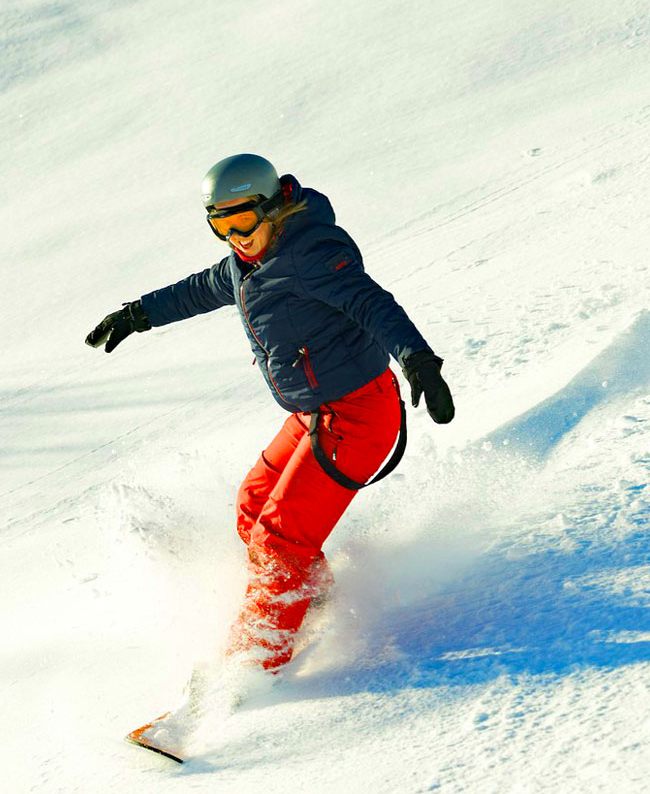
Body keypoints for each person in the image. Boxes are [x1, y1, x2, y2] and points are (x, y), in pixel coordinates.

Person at [87, 154, 454, 674]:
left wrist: (417, 359)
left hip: (358, 414)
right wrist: (137, 314)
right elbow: (196, 290)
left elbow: (373, 304)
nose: (234, 236)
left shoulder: (312, 253)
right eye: (219, 224)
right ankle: (310, 598)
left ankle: (252, 664)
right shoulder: (245, 262)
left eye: (241, 220)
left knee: (279, 537)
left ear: (274, 206)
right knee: (254, 504)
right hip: (314, 414)